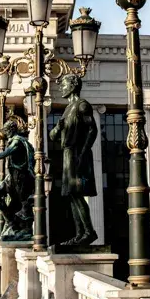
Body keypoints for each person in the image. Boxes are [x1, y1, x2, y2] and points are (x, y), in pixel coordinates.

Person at [48, 74, 99, 245]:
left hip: (77, 153)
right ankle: (80, 234)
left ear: (73, 85)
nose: (62, 88)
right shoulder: (67, 109)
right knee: (71, 195)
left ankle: (89, 232)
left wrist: (84, 152)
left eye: (64, 84)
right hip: (67, 153)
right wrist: (57, 127)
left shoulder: (82, 105)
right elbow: (53, 136)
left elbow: (93, 130)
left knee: (76, 193)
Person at [0, 119, 35, 241]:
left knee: (23, 203)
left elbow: (7, 152)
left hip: (20, 177)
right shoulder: (14, 141)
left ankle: (25, 230)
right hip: (12, 176)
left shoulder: (17, 141)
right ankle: (12, 222)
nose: (5, 133)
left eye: (7, 130)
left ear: (11, 130)